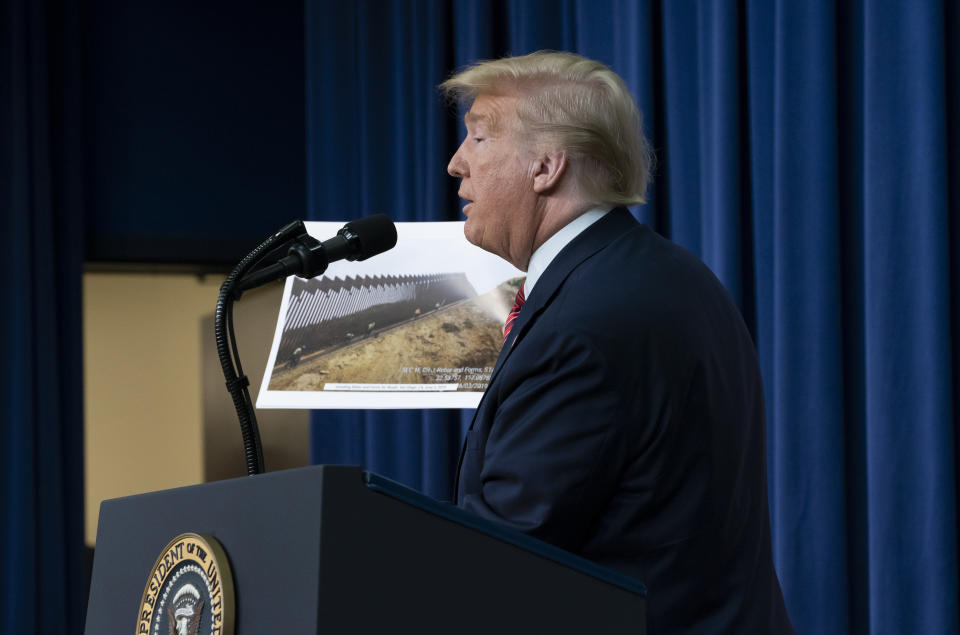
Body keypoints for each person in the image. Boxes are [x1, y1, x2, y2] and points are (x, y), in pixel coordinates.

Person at [441, 51, 793, 633]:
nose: (456, 164)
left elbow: (498, 563)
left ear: (546, 166)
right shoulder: (667, 274)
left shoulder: (581, 326)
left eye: (478, 138)